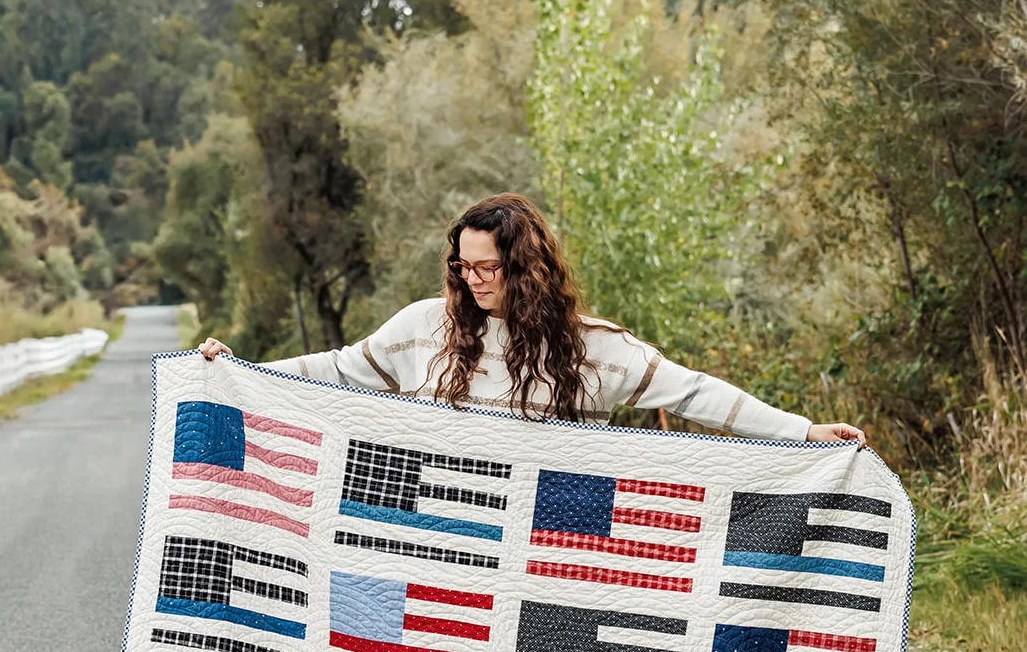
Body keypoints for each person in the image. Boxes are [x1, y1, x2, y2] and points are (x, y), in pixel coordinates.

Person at [198, 193, 865, 446]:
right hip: (441, 552)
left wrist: (802, 432)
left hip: (549, 569)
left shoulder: (595, 352)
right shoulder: (421, 327)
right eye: (463, 267)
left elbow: (696, 395)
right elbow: (335, 370)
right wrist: (236, 372)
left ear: (525, 268)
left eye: (487, 267)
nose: (473, 281)